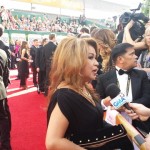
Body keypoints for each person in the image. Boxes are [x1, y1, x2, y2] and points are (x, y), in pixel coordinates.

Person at [45, 37, 133, 150]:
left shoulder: (83, 87)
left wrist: (103, 103)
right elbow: (53, 142)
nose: (97, 63)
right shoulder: (65, 95)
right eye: (91, 58)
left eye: (96, 58)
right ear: (73, 61)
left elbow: (84, 115)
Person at [96, 43, 150, 133]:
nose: (136, 56)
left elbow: (147, 97)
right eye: (132, 54)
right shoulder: (103, 78)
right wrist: (112, 105)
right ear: (120, 59)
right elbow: (97, 101)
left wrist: (126, 106)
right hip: (112, 126)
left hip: (140, 124)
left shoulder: (141, 75)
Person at [0, 49, 11, 150]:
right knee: (3, 118)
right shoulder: (2, 52)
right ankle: (5, 146)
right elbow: (6, 74)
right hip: (0, 91)